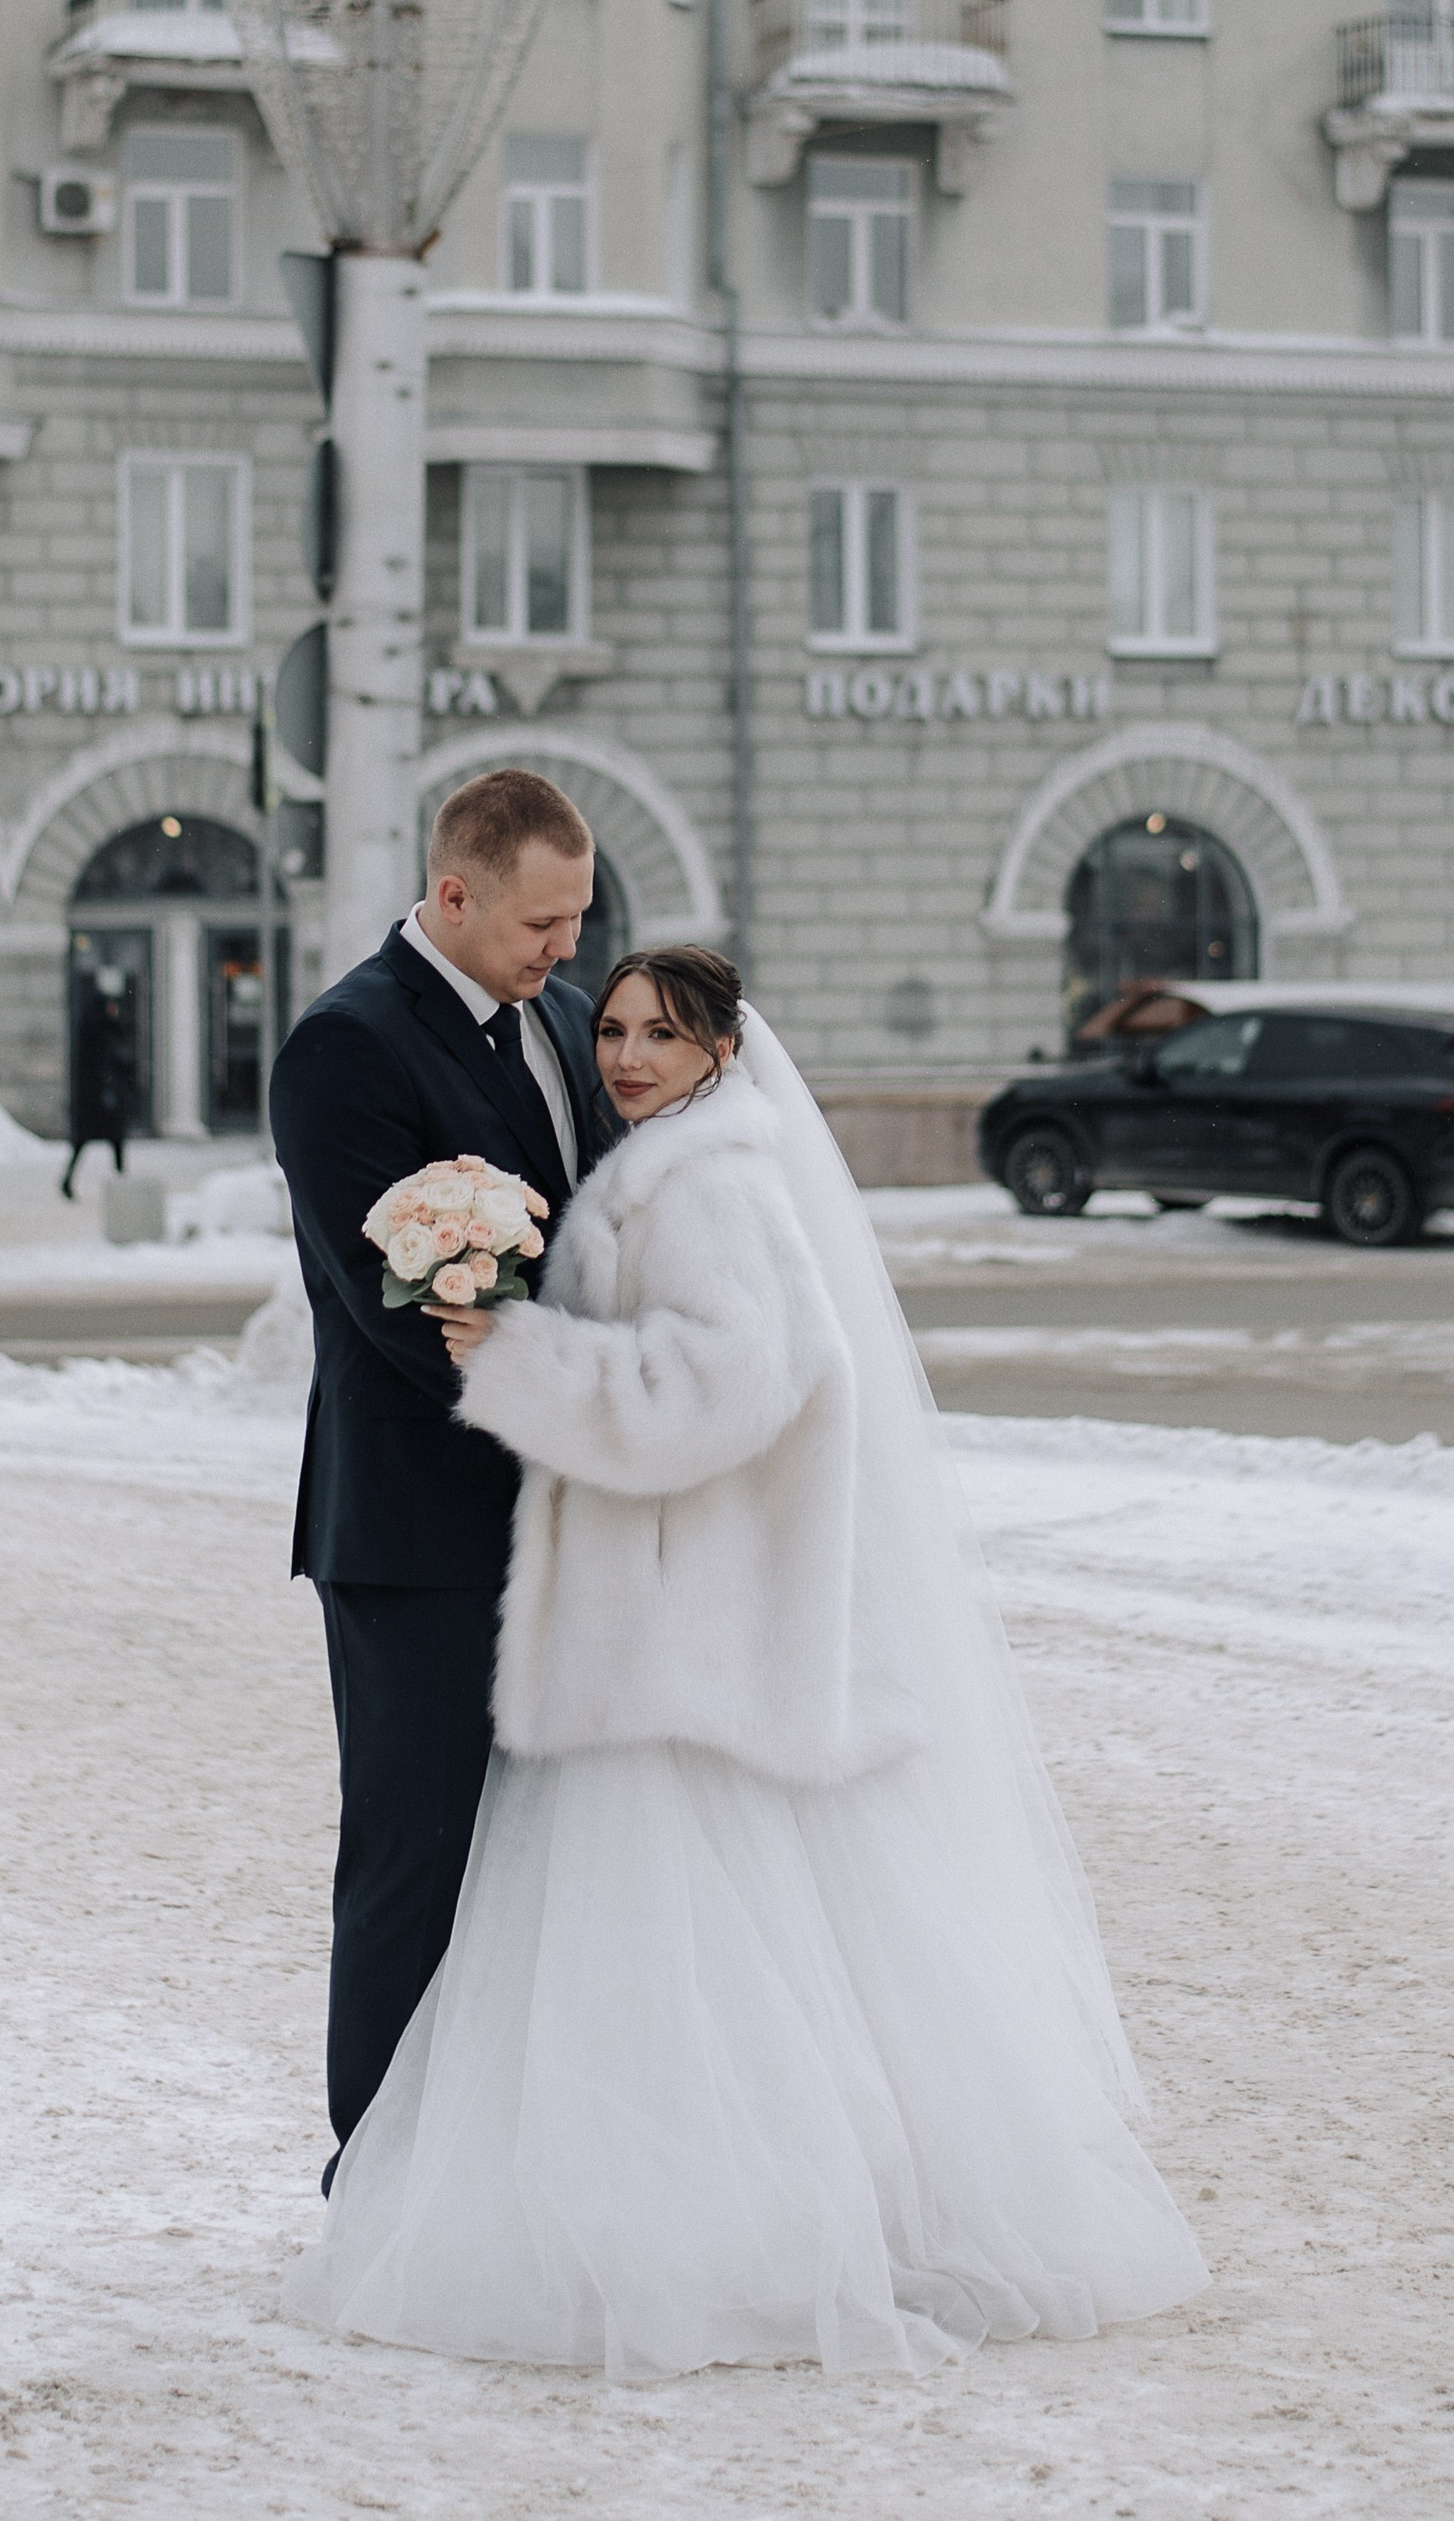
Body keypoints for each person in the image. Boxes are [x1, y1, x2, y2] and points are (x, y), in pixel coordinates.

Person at [281, 943, 1206, 2379]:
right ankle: (678, 2205)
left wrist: (518, 1355)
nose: (627, 1051)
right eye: (621, 1029)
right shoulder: (675, 1155)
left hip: (676, 1627)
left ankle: (720, 2228)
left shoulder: (706, 1178)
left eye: (663, 1031)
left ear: (723, 1049)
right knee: (683, 1944)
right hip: (655, 1611)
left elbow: (730, 1378)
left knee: (681, 1937)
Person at [267, 768, 615, 2192]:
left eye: (582, 916)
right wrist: (590, 1407)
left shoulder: (573, 1021)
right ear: (455, 892)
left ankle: (507, 2168)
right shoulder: (344, 1046)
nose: (568, 948)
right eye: (543, 919)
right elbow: (399, 1313)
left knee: (548, 1865)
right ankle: (382, 2182)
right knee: (415, 1862)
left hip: (568, 1519)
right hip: (416, 1531)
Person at [58, 971, 137, 1199]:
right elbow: (117, 1043)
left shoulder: (90, 1026)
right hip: (101, 1096)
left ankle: (70, 1180)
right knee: (113, 1140)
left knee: (91, 1142)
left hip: (95, 1097)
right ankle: (120, 1181)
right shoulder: (97, 1028)